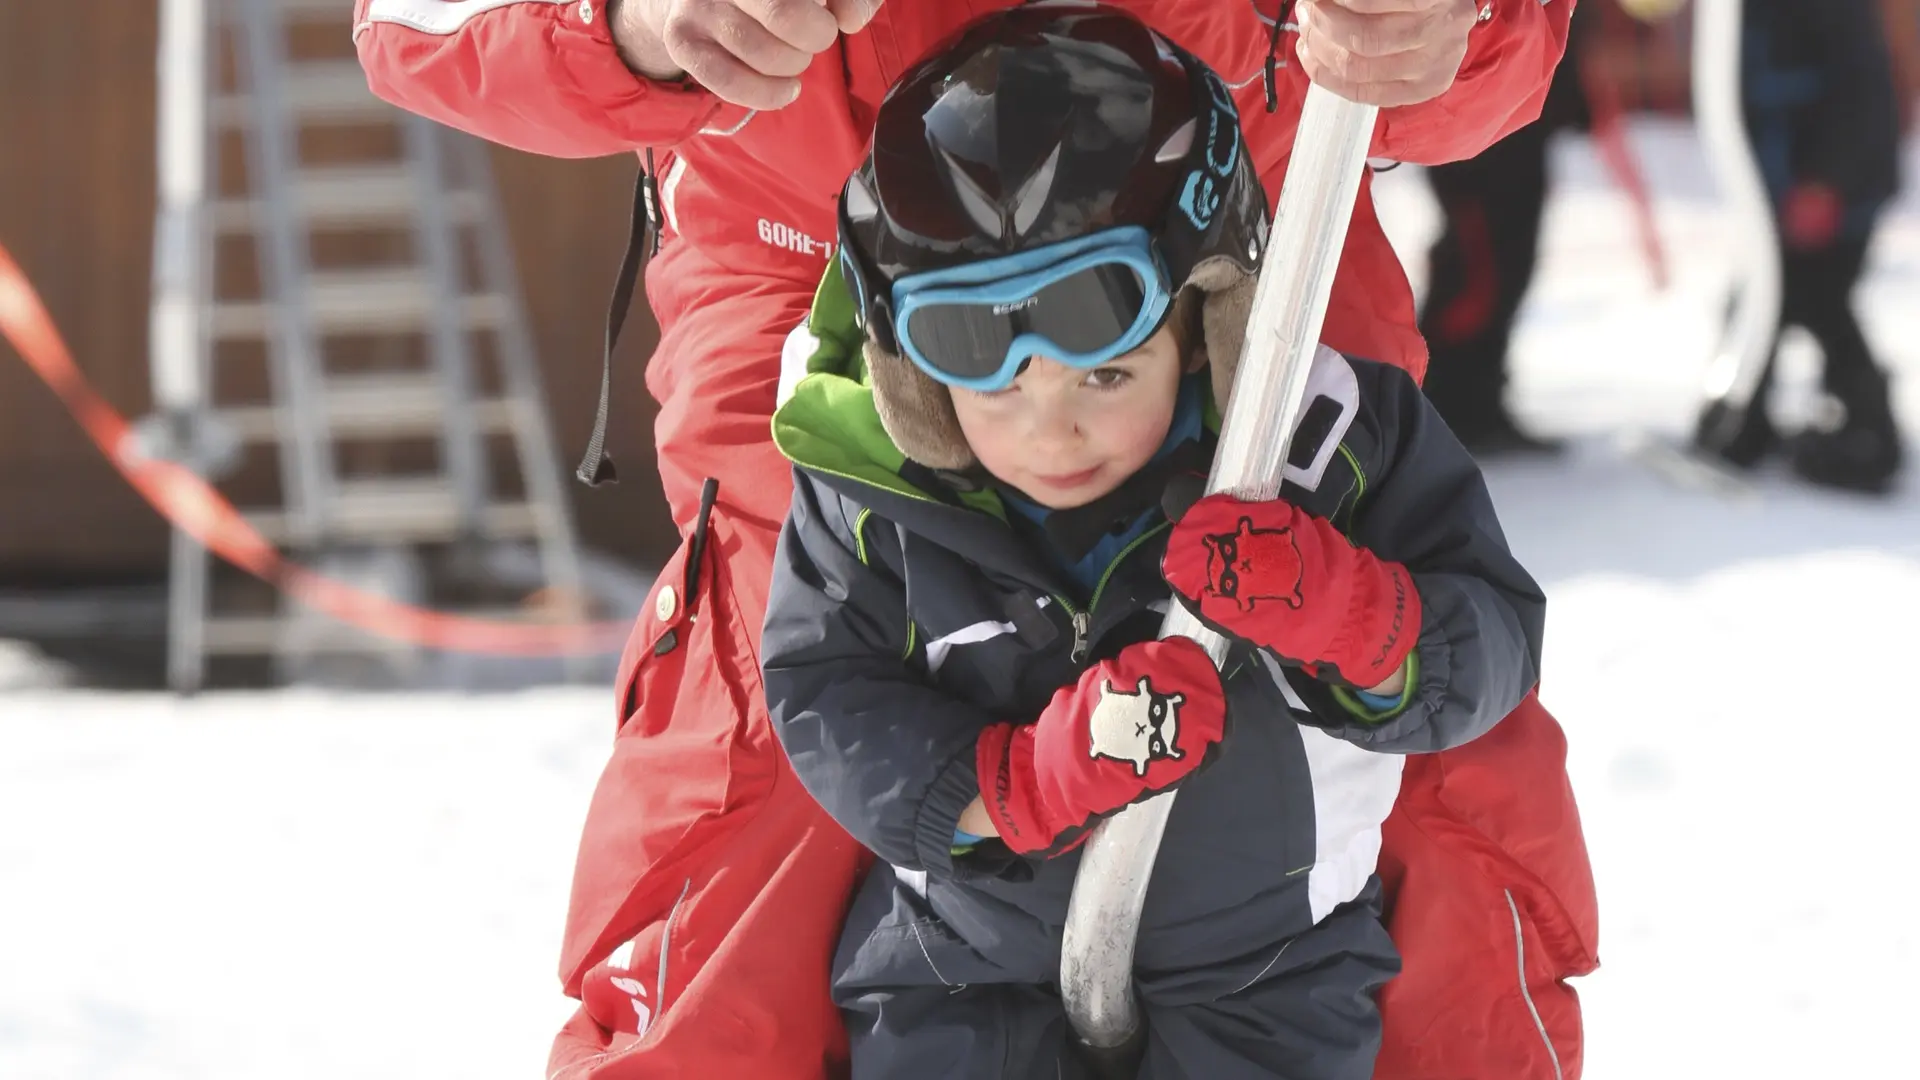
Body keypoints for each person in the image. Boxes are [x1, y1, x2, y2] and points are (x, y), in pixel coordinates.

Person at [351, 2, 1599, 1077]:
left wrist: (1443, 29)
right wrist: (632, 24)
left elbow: (1489, 56)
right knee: (762, 805)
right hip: (834, 298)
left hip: (1249, 267)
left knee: (1441, 790)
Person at [761, 9, 1550, 1076]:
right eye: (989, 382)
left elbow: (1493, 636)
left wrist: (1355, 618)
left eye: (1106, 372)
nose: (1053, 431)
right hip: (963, 964)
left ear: (1203, 316)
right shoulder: (871, 505)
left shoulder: (1322, 450)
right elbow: (825, 693)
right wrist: (1010, 785)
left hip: (1267, 969)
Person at [1693, 0, 1905, 494]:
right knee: (1764, 300)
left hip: (1834, 185)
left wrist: (1829, 183)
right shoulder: (1738, 15)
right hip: (1779, 186)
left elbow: (1864, 92)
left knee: (1819, 300)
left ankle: (1867, 432)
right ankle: (1743, 423)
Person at [1415, 1, 1599, 455]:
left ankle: (1483, 400)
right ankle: (1438, 404)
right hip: (1470, 111)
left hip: (1522, 106)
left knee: (1510, 264)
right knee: (1477, 268)